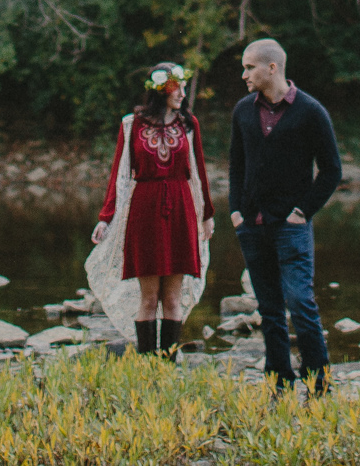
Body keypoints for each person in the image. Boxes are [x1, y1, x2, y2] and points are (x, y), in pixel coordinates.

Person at [228, 37, 342, 394]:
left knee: (301, 303)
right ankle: (278, 382)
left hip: (291, 226)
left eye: (249, 67)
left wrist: (302, 212)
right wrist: (235, 211)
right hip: (252, 225)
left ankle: (319, 383)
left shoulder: (310, 111)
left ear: (272, 68)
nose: (244, 74)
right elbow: (236, 164)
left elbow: (331, 170)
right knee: (270, 310)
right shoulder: (243, 110)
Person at [87, 61, 216, 358]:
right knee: (148, 297)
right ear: (161, 89)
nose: (183, 93)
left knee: (172, 297)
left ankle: (167, 364)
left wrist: (206, 214)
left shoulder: (188, 124)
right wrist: (106, 217)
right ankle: (147, 365)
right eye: (177, 86)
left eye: (184, 86)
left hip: (181, 208)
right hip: (144, 210)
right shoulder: (132, 124)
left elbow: (198, 172)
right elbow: (119, 174)